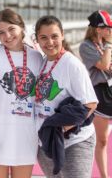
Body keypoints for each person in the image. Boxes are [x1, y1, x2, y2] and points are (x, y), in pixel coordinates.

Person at [0, 8, 43, 178]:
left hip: (26, 135)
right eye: (1, 33)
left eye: (11, 29)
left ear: (21, 28)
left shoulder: (36, 57)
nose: (8, 36)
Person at [34, 15, 98, 178]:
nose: (50, 42)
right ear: (37, 40)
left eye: (54, 36)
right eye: (44, 38)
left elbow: (90, 104)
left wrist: (60, 130)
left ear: (62, 35)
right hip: (47, 142)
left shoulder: (72, 64)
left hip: (75, 142)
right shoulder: (42, 63)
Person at [79, 10, 112, 178]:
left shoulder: (106, 44)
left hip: (111, 89)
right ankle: (105, 176)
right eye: (108, 28)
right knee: (103, 140)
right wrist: (109, 45)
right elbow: (105, 65)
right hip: (99, 93)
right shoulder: (86, 46)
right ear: (98, 29)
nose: (110, 31)